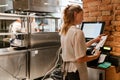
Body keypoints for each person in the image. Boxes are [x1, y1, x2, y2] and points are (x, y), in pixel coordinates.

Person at [59, 4, 102, 80]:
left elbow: (78, 47)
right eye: (81, 15)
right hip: (76, 71)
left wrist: (94, 40)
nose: (83, 18)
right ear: (75, 14)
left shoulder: (64, 31)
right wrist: (95, 56)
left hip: (67, 71)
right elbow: (80, 59)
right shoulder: (78, 32)